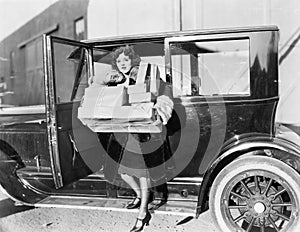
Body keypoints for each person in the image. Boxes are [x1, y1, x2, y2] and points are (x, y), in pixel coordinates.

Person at [96, 45, 174, 232]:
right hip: (125, 132)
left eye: (126, 60)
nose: (122, 64)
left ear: (133, 60)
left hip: (143, 133)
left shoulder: (147, 76)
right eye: (119, 61)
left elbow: (165, 95)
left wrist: (156, 107)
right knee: (123, 172)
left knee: (141, 173)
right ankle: (140, 196)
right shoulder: (115, 81)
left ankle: (143, 212)